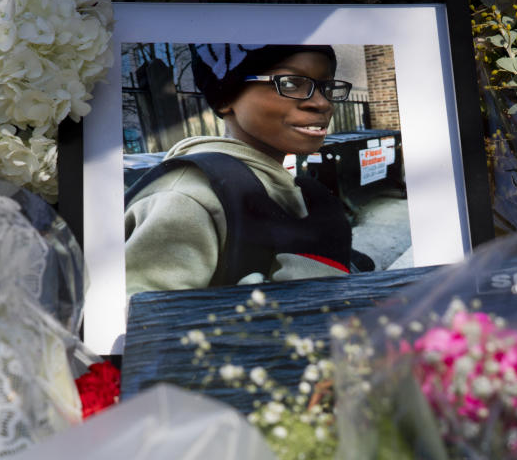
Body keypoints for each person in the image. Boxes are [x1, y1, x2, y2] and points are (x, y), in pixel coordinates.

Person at [124, 43, 355, 295]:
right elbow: (145, 323)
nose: (322, 103)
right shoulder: (187, 200)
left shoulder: (278, 182)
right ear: (225, 98)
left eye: (327, 87)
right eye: (290, 83)